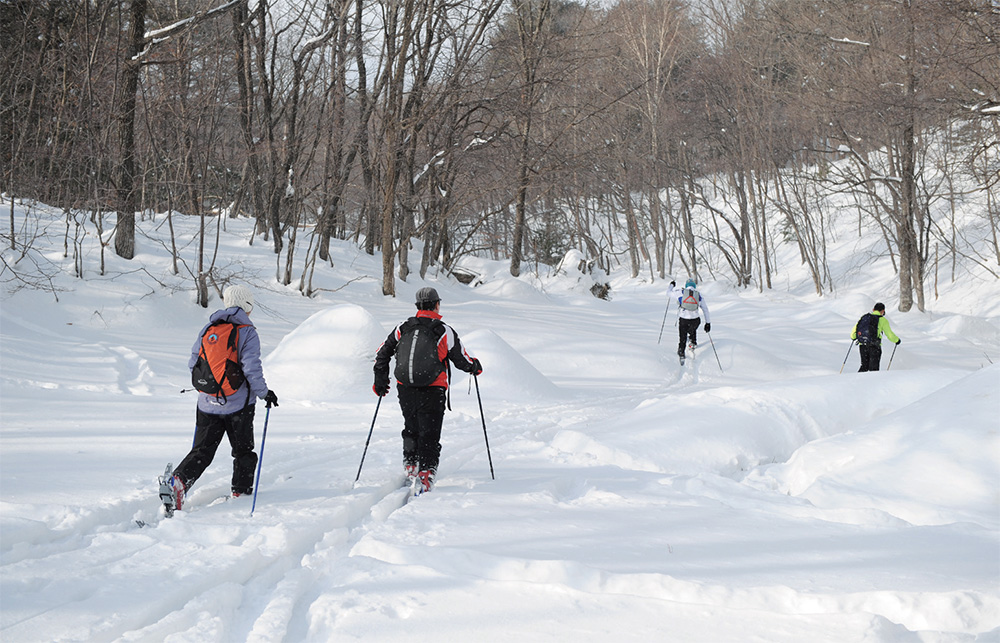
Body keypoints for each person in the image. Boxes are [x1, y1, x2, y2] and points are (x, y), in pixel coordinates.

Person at [165, 284, 278, 511]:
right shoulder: (247, 331)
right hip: (238, 406)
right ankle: (241, 493)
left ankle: (178, 482)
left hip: (207, 404)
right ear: (247, 305)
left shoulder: (209, 328)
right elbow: (251, 368)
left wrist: (209, 389)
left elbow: (193, 363)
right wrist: (265, 393)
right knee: (243, 451)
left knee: (202, 451)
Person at [373, 287, 482, 494]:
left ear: (417, 306)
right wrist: (474, 366)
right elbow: (460, 358)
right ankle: (426, 471)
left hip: (405, 387)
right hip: (433, 389)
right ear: (437, 305)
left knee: (411, 424)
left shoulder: (403, 327)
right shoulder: (443, 330)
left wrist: (380, 379)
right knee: (430, 431)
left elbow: (382, 353)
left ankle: (411, 463)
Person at [668, 278, 711, 363]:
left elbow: (668, 293)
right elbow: (705, 309)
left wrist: (671, 285)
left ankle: (681, 352)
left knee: (682, 336)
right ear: (694, 286)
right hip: (695, 320)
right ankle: (693, 342)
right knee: (692, 329)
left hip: (683, 319)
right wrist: (708, 323)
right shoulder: (698, 295)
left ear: (686, 285)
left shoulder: (680, 292)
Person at [851, 302, 901, 372]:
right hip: (875, 346)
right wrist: (897, 340)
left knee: (864, 366)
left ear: (873, 309)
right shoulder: (883, 320)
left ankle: (858, 381)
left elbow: (854, 332)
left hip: (862, 345)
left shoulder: (865, 318)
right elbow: (889, 334)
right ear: (883, 311)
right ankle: (873, 382)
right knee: (874, 368)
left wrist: (853, 337)